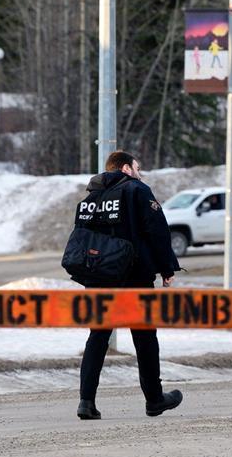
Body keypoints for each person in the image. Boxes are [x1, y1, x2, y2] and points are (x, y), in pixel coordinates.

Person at [74, 150, 183, 420]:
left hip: (98, 278)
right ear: (125, 169)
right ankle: (154, 400)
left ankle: (86, 402)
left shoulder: (90, 198)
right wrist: (167, 267)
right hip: (134, 276)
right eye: (137, 167)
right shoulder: (136, 190)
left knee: (98, 337)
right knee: (145, 337)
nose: (139, 172)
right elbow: (157, 229)